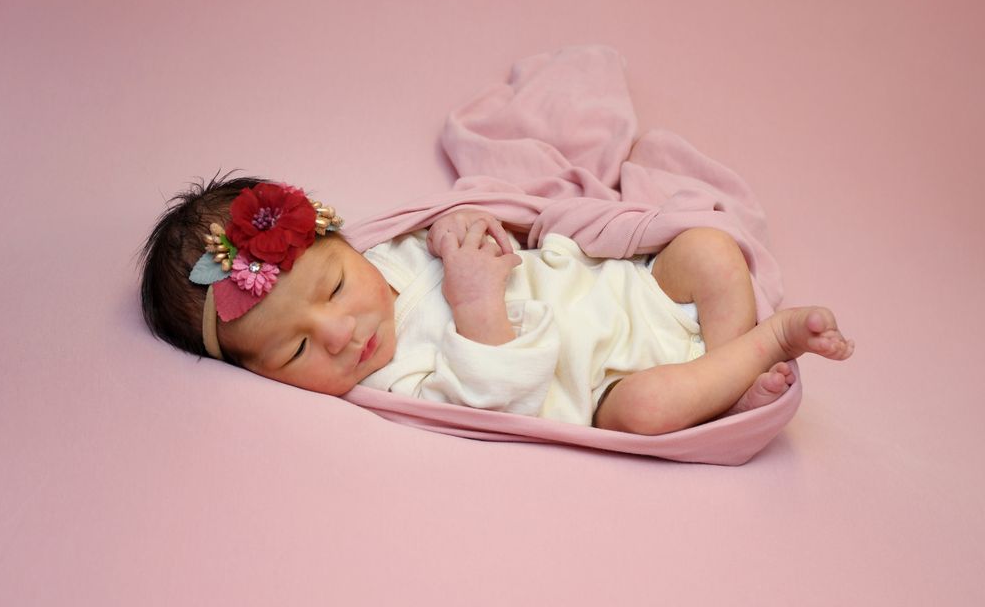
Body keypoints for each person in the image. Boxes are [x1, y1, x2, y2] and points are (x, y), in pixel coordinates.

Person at [139, 174, 854, 437]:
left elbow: (484, 224)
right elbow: (494, 401)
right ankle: (761, 347)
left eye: (332, 287)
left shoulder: (392, 253)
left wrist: (462, 225)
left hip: (628, 291)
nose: (338, 333)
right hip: (606, 382)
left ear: (344, 241)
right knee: (646, 412)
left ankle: (726, 364)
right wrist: (476, 301)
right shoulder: (391, 380)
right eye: (295, 350)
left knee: (708, 251)